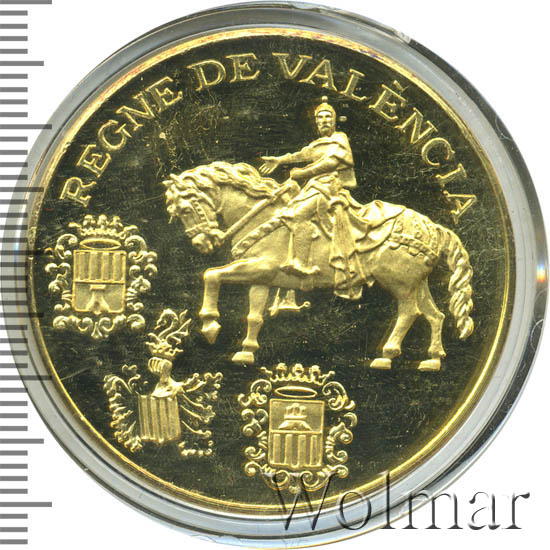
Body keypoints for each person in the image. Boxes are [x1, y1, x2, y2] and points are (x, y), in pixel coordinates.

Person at [260, 96, 365, 299]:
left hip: (330, 189)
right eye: (320, 118)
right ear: (316, 122)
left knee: (299, 214)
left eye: (327, 117)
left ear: (334, 120)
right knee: (286, 209)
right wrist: (279, 160)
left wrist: (303, 173)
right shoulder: (318, 144)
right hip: (315, 187)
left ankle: (301, 264)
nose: (324, 121)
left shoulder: (340, 139)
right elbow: (300, 155)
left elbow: (332, 162)